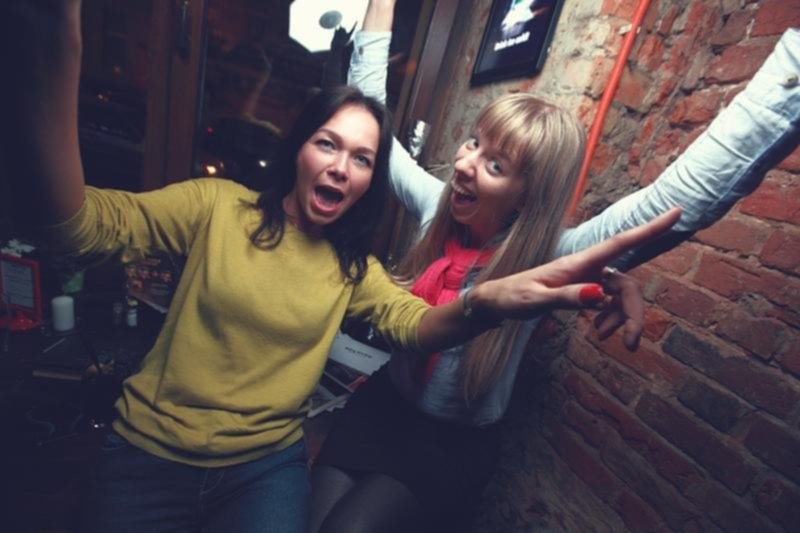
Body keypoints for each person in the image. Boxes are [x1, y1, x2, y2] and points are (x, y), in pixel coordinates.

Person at [0, 1, 679, 532]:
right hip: (149, 449)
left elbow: (416, 323)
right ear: (299, 148)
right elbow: (79, 228)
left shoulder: (354, 269)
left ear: (369, 179)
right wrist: (56, 50)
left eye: (361, 158)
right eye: (327, 144)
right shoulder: (215, 207)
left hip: (261, 466)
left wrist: (484, 304)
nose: (340, 166)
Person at [309, 2, 800, 532]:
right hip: (383, 405)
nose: (464, 164)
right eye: (474, 143)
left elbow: (676, 202)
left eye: (494, 164)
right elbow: (374, 122)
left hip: (445, 446)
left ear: (526, 196)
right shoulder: (436, 205)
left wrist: (792, 69)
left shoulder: (551, 255)